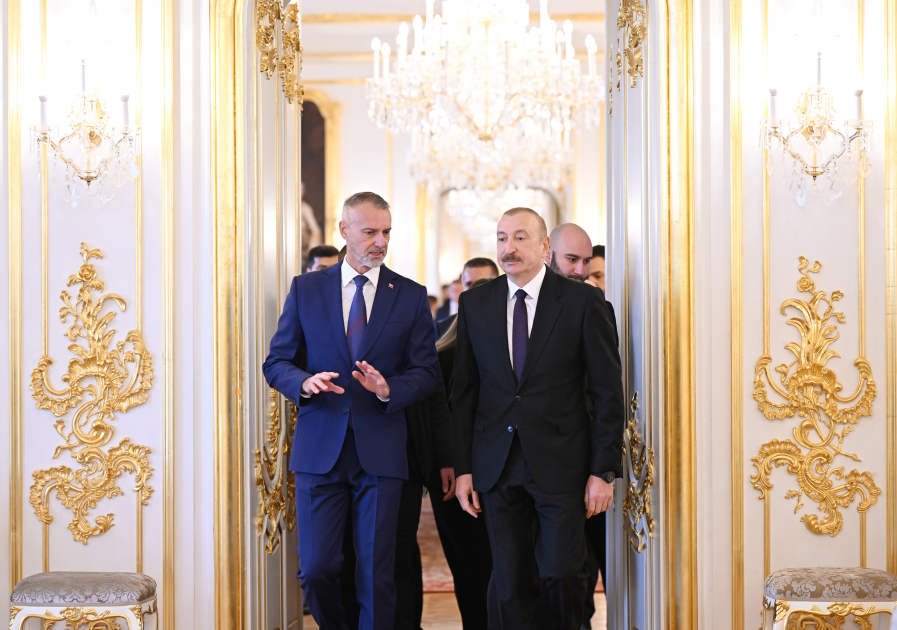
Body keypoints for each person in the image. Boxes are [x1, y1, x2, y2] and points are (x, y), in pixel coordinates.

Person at [263, 191, 440, 630]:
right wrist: (303, 382)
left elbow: (427, 373)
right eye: (370, 232)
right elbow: (277, 362)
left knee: (377, 573)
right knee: (316, 569)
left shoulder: (410, 295)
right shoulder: (306, 289)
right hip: (319, 450)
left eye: (387, 232)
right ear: (344, 230)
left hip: (381, 451)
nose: (381, 242)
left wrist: (389, 388)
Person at [452, 207, 624, 630]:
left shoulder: (584, 302)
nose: (508, 248)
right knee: (510, 582)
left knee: (562, 575)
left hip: (563, 465)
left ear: (545, 246)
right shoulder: (475, 302)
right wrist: (464, 469)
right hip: (497, 464)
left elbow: (607, 393)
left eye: (520, 237)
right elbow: (466, 393)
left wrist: (603, 470)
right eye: (501, 238)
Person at [546, 224, 617, 630]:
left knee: (577, 572)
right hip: (539, 466)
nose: (581, 271)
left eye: (587, 263)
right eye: (572, 259)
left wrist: (602, 470)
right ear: (548, 253)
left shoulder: (594, 307)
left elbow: (607, 392)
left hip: (587, 458)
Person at [429, 277, 494, 630]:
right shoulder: (441, 356)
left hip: (499, 475)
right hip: (453, 476)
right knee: (469, 569)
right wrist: (448, 464)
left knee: (503, 570)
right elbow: (436, 423)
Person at [435, 258, 500, 339]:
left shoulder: (509, 324)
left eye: (482, 283)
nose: (474, 289)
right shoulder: (443, 329)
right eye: (469, 284)